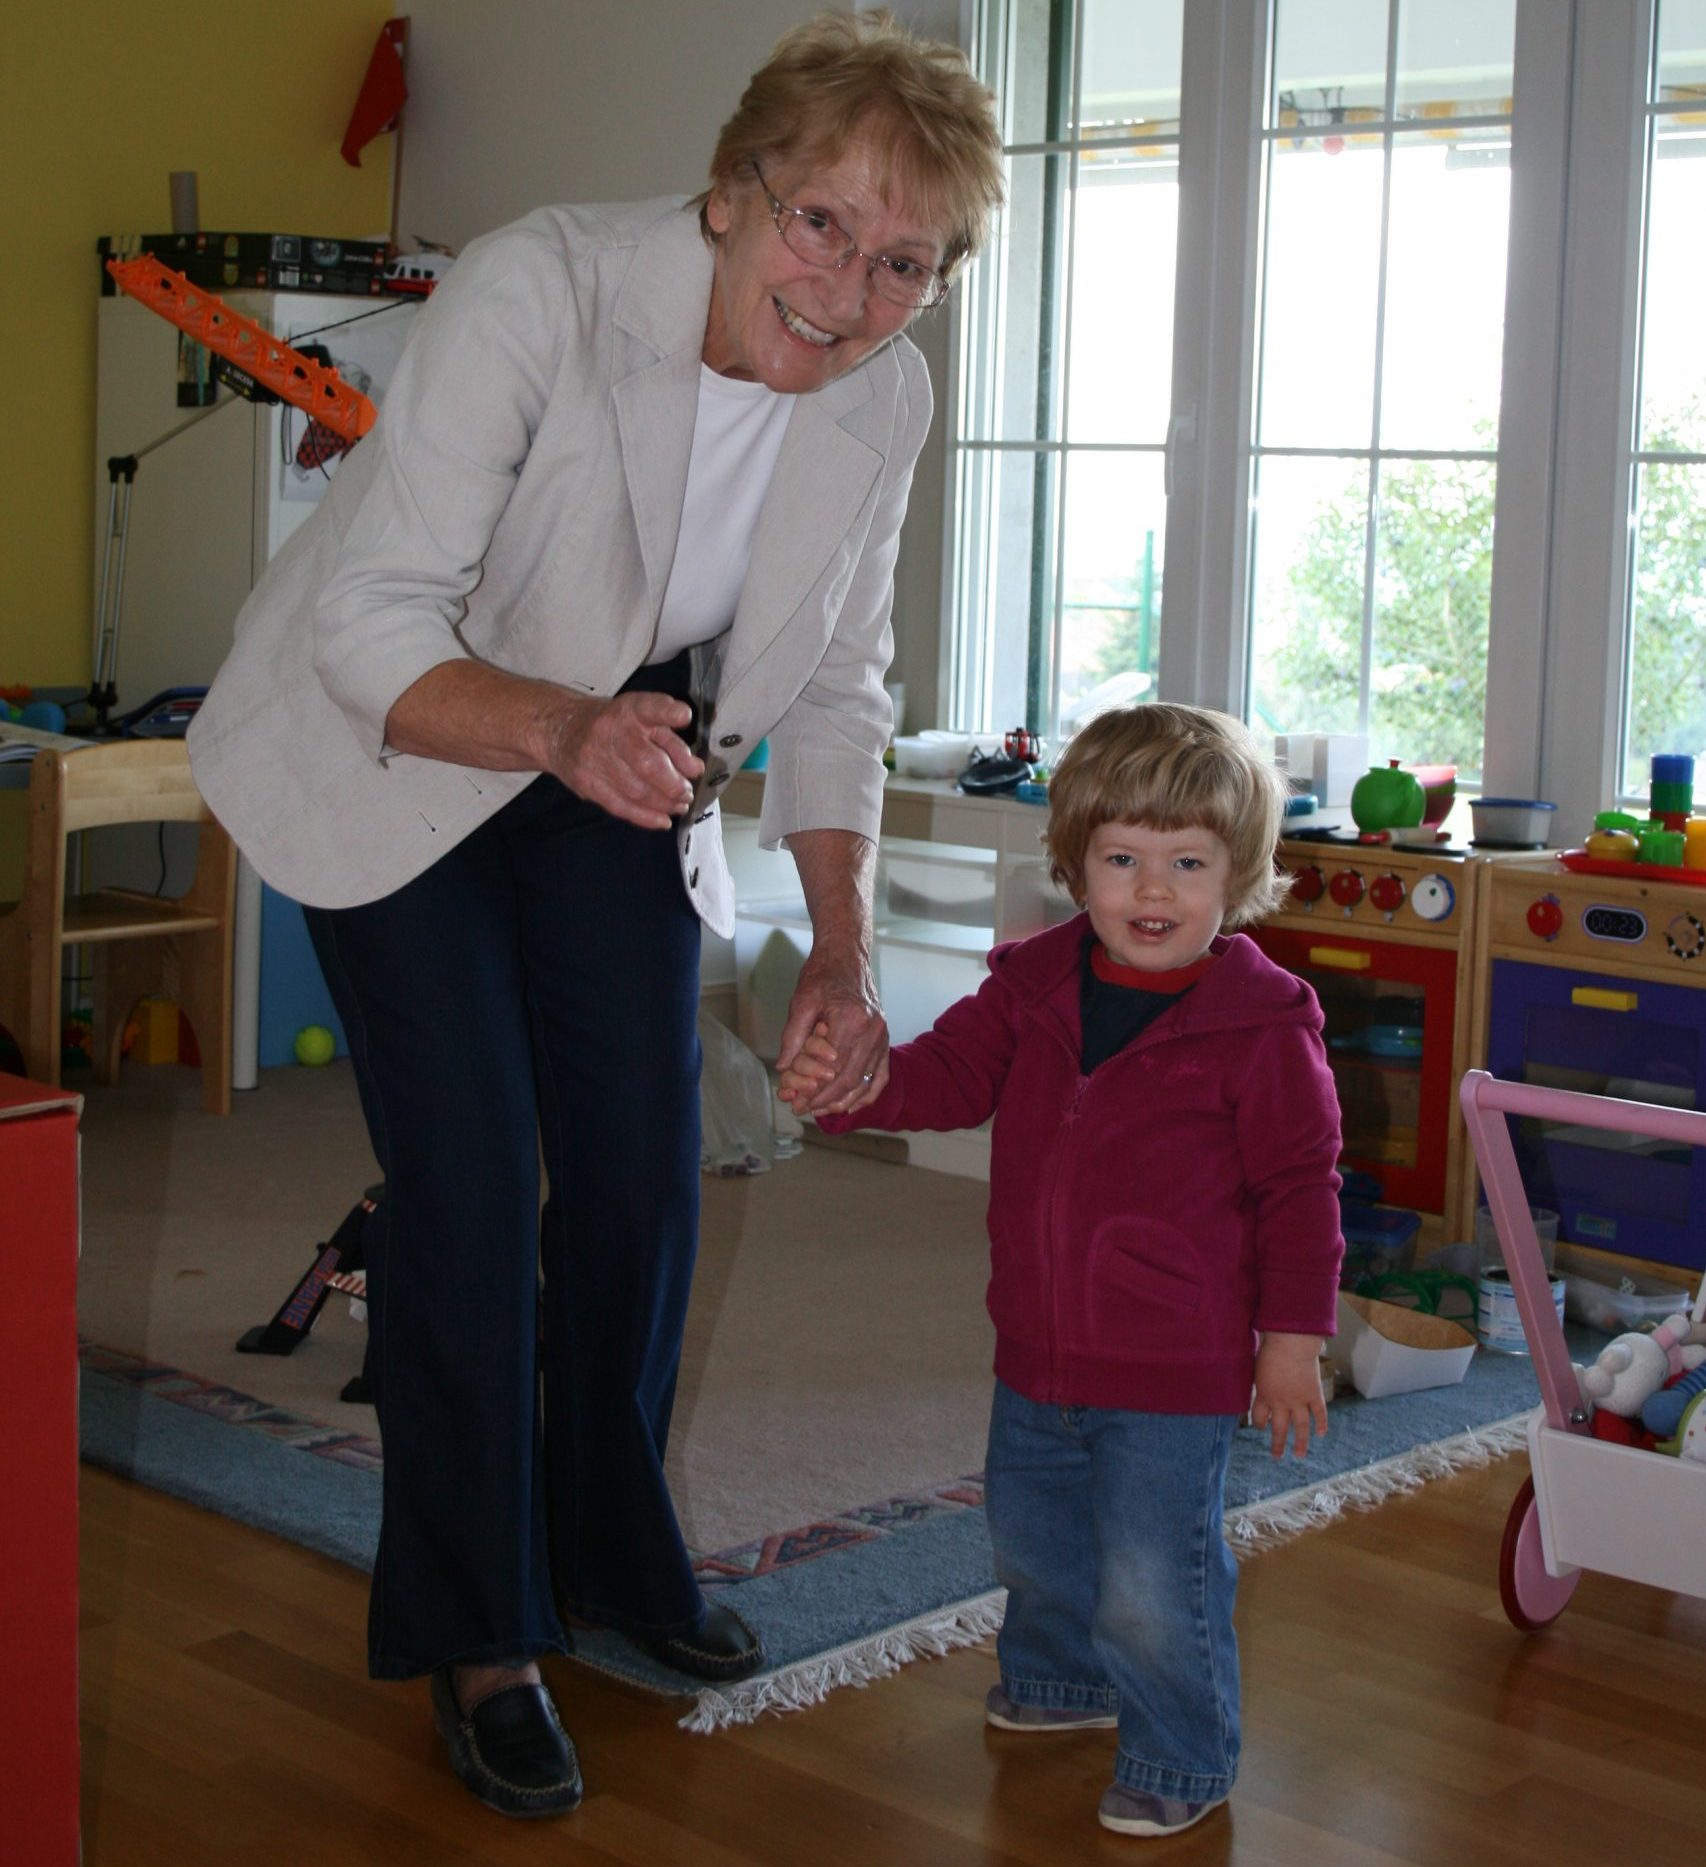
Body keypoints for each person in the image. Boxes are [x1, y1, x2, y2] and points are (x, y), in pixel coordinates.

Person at [186, 9, 1002, 1819]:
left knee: (641, 1163)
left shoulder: (883, 392)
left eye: (905, 263)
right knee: (473, 1183)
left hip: (615, 737)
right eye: (820, 227)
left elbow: (846, 686)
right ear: (731, 194)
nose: (850, 290)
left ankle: (613, 1548)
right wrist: (559, 728)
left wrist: (848, 952)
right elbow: (370, 621)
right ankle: (481, 1630)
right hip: (403, 722)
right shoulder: (536, 286)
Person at [785, 703, 1344, 1839]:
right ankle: (1056, 1683)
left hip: (1173, 1366)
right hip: (1036, 1342)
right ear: (1075, 863)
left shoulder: (1262, 1028)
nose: (1152, 891)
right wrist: (854, 1086)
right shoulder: (1031, 986)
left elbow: (1300, 1192)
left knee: (1152, 1579)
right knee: (1030, 1537)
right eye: (1122, 859)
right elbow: (942, 1075)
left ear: (1234, 875)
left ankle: (1180, 1755)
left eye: (1186, 864)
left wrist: (1290, 1341)